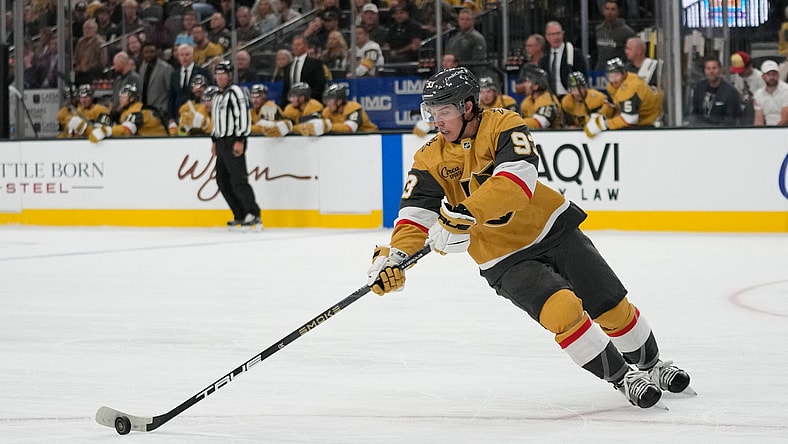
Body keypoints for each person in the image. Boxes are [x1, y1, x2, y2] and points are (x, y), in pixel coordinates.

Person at [366, 66, 693, 411]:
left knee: (610, 305)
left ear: (467, 106)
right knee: (562, 310)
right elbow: (415, 214)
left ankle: (653, 365)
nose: (437, 121)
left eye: (443, 112)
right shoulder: (429, 157)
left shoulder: (504, 123)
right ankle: (622, 378)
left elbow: (517, 181)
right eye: (431, 113)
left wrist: (465, 214)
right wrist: (395, 257)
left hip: (551, 227)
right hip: (502, 257)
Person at [210, 60, 263, 230]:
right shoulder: (217, 96)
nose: (220, 77)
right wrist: (214, 140)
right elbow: (216, 120)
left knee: (238, 179)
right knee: (222, 181)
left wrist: (240, 139)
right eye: (218, 74)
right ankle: (239, 213)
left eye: (223, 74)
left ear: (230, 76)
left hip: (234, 139)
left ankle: (253, 213)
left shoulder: (236, 93)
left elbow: (243, 117)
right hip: (221, 142)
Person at [584, 58, 663, 137]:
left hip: (653, 120)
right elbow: (611, 105)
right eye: (611, 76)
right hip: (640, 118)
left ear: (624, 73)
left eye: (616, 75)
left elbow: (630, 120)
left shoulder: (631, 88)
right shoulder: (613, 85)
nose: (614, 80)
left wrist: (602, 124)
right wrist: (600, 115)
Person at [89, 83, 168, 143]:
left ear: (132, 98)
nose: (120, 99)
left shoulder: (140, 111)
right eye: (120, 96)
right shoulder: (128, 111)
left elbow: (127, 130)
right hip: (151, 144)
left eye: (123, 96)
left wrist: (105, 131)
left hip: (158, 145)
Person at [298, 83, 379, 135]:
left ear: (339, 101)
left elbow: (350, 128)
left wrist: (328, 126)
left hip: (370, 138)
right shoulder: (327, 111)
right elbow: (321, 124)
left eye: (330, 100)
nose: (327, 103)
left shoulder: (353, 107)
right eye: (326, 100)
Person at [168, 44, 214, 132]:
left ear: (193, 56)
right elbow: (172, 97)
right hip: (180, 117)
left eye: (187, 54)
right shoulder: (174, 74)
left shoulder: (203, 72)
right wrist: (171, 118)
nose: (184, 58)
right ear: (178, 57)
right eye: (181, 55)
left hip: (198, 114)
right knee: (182, 137)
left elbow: (211, 92)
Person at [688, 56, 741, 127]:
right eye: (708, 68)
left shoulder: (731, 92)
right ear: (705, 70)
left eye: (714, 68)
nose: (711, 71)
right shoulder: (699, 87)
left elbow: (730, 120)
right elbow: (695, 112)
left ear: (720, 70)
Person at [540, 21, 587, 99]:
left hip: (570, 97)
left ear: (563, 34)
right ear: (547, 37)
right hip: (552, 99)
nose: (556, 37)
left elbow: (582, 76)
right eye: (552, 34)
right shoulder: (545, 58)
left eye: (558, 33)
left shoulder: (574, 53)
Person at [281, 35, 327, 107]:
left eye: (298, 45)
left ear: (306, 47)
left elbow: (320, 85)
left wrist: (306, 99)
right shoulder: (288, 66)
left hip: (310, 104)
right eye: (294, 45)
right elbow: (286, 88)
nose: (295, 47)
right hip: (292, 105)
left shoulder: (315, 63)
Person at [594, 0, 635, 71]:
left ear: (618, 12)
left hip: (618, 71)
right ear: (603, 11)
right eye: (607, 9)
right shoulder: (599, 30)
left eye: (613, 9)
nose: (609, 12)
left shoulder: (627, 32)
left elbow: (632, 55)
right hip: (600, 71)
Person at [446, 9, 487, 77]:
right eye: (462, 19)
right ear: (458, 21)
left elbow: (479, 63)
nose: (464, 22)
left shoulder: (478, 38)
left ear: (473, 21)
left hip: (468, 74)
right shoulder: (453, 38)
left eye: (467, 19)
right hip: (453, 74)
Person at [519, 65, 562, 129]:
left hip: (555, 136)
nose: (524, 85)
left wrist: (515, 123)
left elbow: (540, 123)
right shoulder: (527, 101)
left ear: (536, 86)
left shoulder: (548, 100)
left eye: (528, 82)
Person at [139, 41, 173, 121]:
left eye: (152, 52)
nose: (149, 55)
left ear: (157, 52)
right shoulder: (142, 68)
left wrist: (165, 110)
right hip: (145, 111)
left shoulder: (166, 68)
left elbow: (171, 92)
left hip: (161, 112)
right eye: (146, 52)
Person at [730, 51, 765, 124]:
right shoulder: (739, 77)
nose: (739, 74)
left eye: (741, 71)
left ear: (749, 66)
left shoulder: (760, 78)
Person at [753, 60, 788, 126]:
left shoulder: (786, 90)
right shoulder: (758, 94)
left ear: (778, 75)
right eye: (768, 74)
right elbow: (758, 121)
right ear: (763, 77)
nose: (772, 77)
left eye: (774, 74)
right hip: (768, 130)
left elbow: (785, 120)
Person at [110, 52, 142, 118]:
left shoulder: (134, 78)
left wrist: (116, 112)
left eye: (115, 64)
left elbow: (130, 100)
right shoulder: (118, 79)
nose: (114, 67)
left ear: (121, 64)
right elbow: (112, 99)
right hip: (116, 116)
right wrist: (110, 113)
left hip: (129, 116)